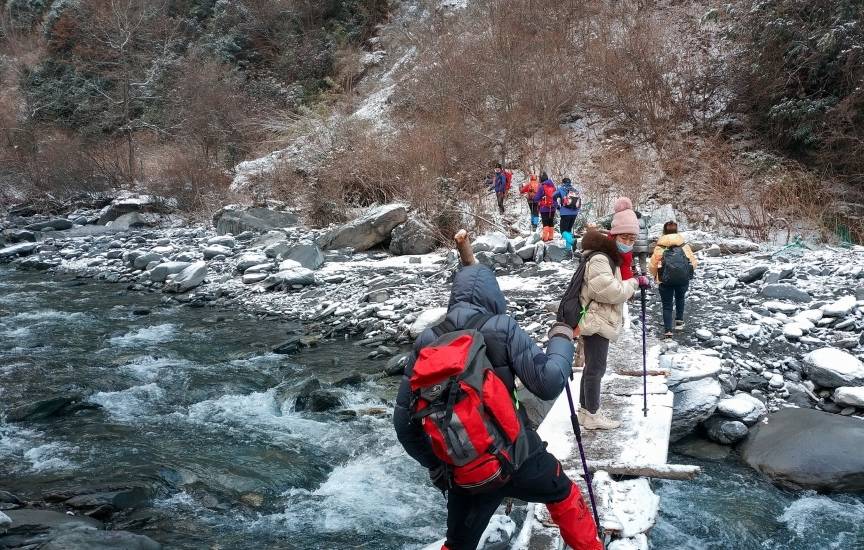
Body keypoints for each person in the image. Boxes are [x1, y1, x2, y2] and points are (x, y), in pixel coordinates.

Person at [394, 230, 602, 550]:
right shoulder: (502, 328)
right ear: (494, 296)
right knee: (563, 494)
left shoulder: (427, 340)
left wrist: (440, 464)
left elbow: (404, 425)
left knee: (458, 544)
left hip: (464, 471)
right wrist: (561, 337)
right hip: (520, 458)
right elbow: (549, 384)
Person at [576, 198, 649, 430]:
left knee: (592, 367)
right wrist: (634, 283)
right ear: (614, 235)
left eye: (632, 239)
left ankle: (585, 411)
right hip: (596, 318)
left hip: (599, 317)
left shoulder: (614, 258)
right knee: (596, 368)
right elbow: (609, 291)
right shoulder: (601, 258)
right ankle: (593, 415)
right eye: (624, 237)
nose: (628, 243)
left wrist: (632, 280)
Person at [649, 221, 697, 339]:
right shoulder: (684, 246)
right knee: (680, 298)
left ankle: (668, 331)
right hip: (682, 279)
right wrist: (686, 273)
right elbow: (693, 262)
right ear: (676, 231)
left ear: (664, 231)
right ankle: (679, 322)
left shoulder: (660, 247)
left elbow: (652, 266)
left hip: (665, 281)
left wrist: (656, 276)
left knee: (667, 305)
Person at [554, 177, 582, 249]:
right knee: (568, 230)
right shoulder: (575, 190)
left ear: (563, 183)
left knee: (563, 231)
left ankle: (572, 241)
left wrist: (557, 206)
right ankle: (568, 249)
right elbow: (579, 202)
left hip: (565, 213)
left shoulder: (561, 189)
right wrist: (576, 210)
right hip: (574, 213)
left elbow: (553, 196)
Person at [533, 172, 557, 241]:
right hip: (552, 207)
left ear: (541, 179)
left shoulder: (541, 186)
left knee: (545, 222)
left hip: (544, 207)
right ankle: (551, 237)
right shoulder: (553, 186)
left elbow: (536, 198)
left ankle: (545, 238)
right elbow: (555, 197)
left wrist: (535, 199)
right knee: (551, 221)